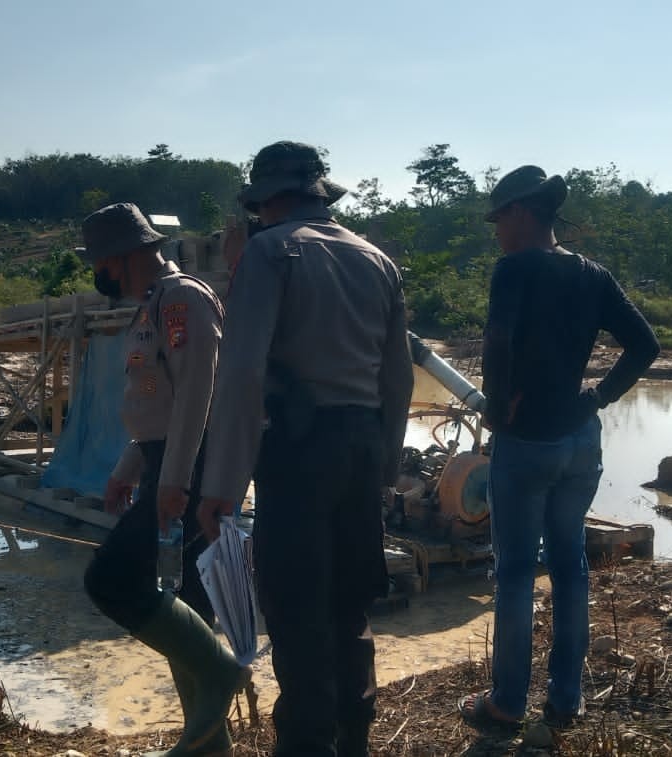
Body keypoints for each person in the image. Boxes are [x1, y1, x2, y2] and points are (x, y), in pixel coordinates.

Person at [198, 141, 414, 757]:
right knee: (350, 611)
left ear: (265, 201)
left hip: (296, 455)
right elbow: (396, 379)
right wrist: (385, 467)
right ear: (321, 194)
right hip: (360, 450)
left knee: (297, 616)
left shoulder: (269, 252)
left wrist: (221, 488)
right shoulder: (376, 259)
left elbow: (240, 375)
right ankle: (355, 744)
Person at [460, 166, 660, 730]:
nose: (496, 230)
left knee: (518, 570)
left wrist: (498, 410)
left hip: (527, 441)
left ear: (522, 213)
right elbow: (644, 345)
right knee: (570, 564)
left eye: (499, 218)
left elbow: (498, 345)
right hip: (579, 440)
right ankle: (565, 699)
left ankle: (506, 702)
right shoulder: (593, 274)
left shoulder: (513, 269)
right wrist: (596, 397)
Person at [77, 202, 244, 756]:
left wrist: (172, 479)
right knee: (190, 604)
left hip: (193, 467)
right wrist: (129, 470)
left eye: (100, 262)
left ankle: (221, 676)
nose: (97, 273)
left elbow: (199, 394)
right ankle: (207, 741)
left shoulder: (182, 300)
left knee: (111, 579)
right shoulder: (150, 305)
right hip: (166, 464)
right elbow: (157, 407)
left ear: (122, 257)